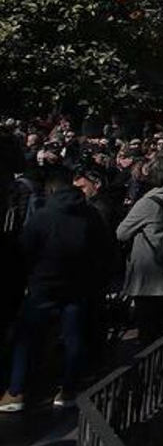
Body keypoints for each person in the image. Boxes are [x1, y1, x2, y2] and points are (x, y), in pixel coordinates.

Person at [0, 167, 114, 411]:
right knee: (74, 338)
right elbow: (103, 248)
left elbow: (25, 250)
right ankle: (67, 390)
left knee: (26, 338)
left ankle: (16, 391)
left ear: (50, 190)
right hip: (77, 285)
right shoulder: (91, 215)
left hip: (43, 284)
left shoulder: (43, 215)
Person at [115, 152, 163, 344]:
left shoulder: (149, 201)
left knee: (148, 329)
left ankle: (150, 370)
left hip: (149, 271)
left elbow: (121, 233)